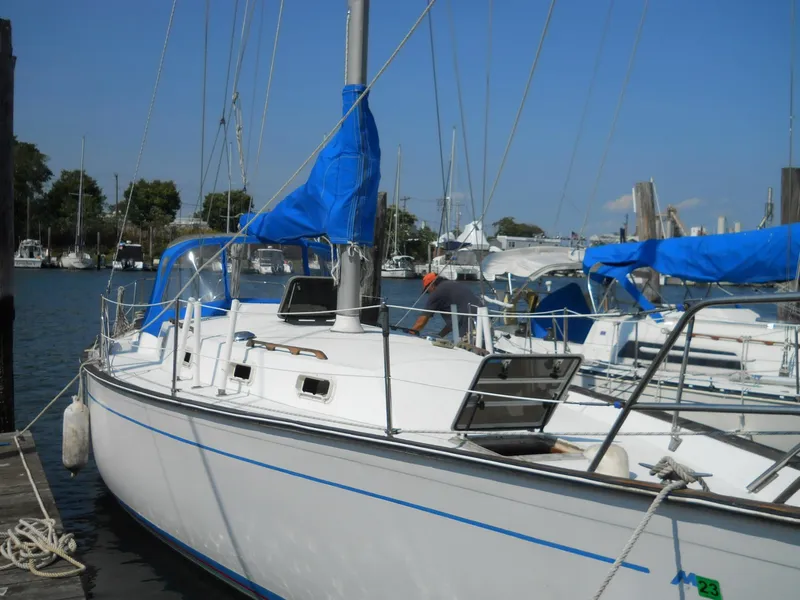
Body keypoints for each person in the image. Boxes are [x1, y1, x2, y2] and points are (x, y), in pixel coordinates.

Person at [409, 273, 484, 339]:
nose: (429, 294)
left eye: (427, 291)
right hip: (483, 320)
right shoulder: (452, 285)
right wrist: (440, 335)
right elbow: (453, 322)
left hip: (468, 326)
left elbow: (422, 320)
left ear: (431, 286)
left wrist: (410, 334)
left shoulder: (437, 292)